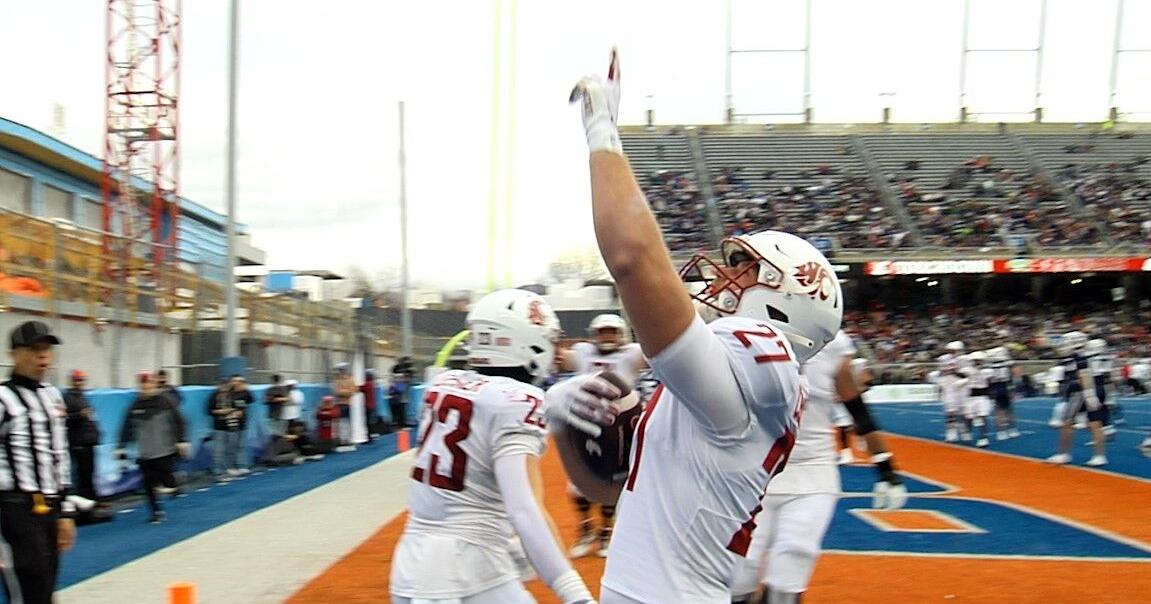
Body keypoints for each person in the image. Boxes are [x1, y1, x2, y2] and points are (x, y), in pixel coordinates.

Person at [551, 50, 842, 603]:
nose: (724, 275)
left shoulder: (765, 362)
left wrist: (601, 130)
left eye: (746, 268)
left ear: (788, 305)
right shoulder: (726, 383)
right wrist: (562, 422)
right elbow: (612, 488)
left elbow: (633, 258)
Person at [390, 289, 596, 604]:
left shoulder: (442, 384)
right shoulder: (518, 401)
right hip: (467, 572)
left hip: (412, 563)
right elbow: (524, 510)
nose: (556, 349)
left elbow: (466, 486)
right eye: (549, 337)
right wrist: (576, 595)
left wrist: (510, 548)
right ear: (524, 339)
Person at [731, 332, 906, 603]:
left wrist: (886, 468)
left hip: (813, 472)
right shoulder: (740, 334)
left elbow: (858, 410)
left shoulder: (833, 345)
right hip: (752, 476)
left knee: (791, 565)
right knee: (738, 576)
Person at [0, 321, 77, 604]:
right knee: (26, 590)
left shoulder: (52, 395)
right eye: (35, 349)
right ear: (14, 354)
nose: (43, 356)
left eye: (47, 349)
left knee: (45, 587)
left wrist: (66, 512)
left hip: (50, 507)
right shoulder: (3, 397)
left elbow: (61, 455)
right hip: (15, 509)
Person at [560, 313, 647, 558]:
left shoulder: (631, 353)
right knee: (577, 485)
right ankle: (586, 529)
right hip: (584, 424)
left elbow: (656, 353)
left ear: (621, 334)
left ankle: (606, 532)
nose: (607, 337)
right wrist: (553, 342)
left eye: (611, 332)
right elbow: (558, 359)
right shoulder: (583, 352)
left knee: (611, 482)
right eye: (602, 332)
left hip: (618, 427)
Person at [117, 372, 189, 524]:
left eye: (149, 384)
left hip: (164, 450)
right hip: (145, 452)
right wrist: (121, 446)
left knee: (167, 479)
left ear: (154, 384)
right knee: (148, 483)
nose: (146, 387)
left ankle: (175, 483)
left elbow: (179, 421)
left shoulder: (165, 401)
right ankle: (156, 512)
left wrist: (181, 440)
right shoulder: (135, 405)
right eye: (143, 385)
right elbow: (126, 426)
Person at [1046, 331, 1108, 467]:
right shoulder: (1091, 355)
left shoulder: (1076, 357)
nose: (1063, 346)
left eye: (1066, 342)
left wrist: (1089, 395)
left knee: (1067, 422)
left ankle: (1063, 454)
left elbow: (1084, 375)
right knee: (1095, 423)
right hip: (1097, 388)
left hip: (1082, 391)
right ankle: (1100, 456)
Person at [63, 370, 105, 517]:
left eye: (81, 380)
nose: (79, 383)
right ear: (72, 381)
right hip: (78, 442)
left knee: (89, 473)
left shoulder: (81, 397)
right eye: (77, 380)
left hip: (87, 441)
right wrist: (80, 415)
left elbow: (90, 419)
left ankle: (91, 502)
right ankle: (86, 505)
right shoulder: (68, 398)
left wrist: (96, 434)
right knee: (83, 475)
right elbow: (65, 419)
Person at [208, 377, 239, 482]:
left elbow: (239, 406)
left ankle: (226, 470)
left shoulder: (232, 395)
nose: (224, 387)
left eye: (226, 385)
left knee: (229, 449)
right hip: (219, 426)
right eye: (222, 385)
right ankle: (218, 472)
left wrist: (236, 412)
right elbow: (210, 410)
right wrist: (221, 412)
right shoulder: (214, 396)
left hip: (232, 425)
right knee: (219, 450)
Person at [332, 363, 357, 450]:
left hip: (347, 403)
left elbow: (353, 391)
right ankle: (341, 440)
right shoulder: (337, 380)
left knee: (347, 423)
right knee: (340, 423)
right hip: (339, 403)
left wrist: (343, 392)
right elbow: (337, 392)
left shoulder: (350, 379)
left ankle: (347, 439)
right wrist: (345, 392)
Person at [359, 370, 379, 441]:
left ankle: (368, 437)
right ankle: (370, 435)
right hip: (372, 405)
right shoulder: (372, 384)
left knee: (367, 421)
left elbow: (360, 388)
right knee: (370, 421)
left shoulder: (367, 384)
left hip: (367, 405)